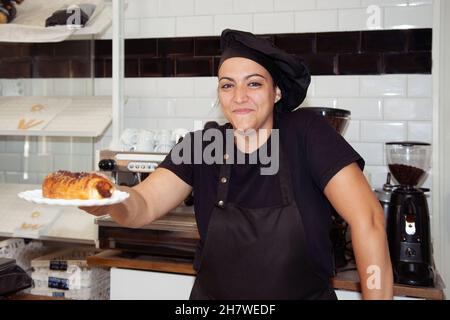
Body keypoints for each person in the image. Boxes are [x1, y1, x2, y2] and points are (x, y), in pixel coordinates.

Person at [81, 29, 393, 300]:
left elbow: (368, 219)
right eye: (228, 85)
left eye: (254, 84)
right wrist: (112, 198)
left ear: (277, 92)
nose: (239, 96)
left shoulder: (307, 135)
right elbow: (144, 205)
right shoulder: (202, 145)